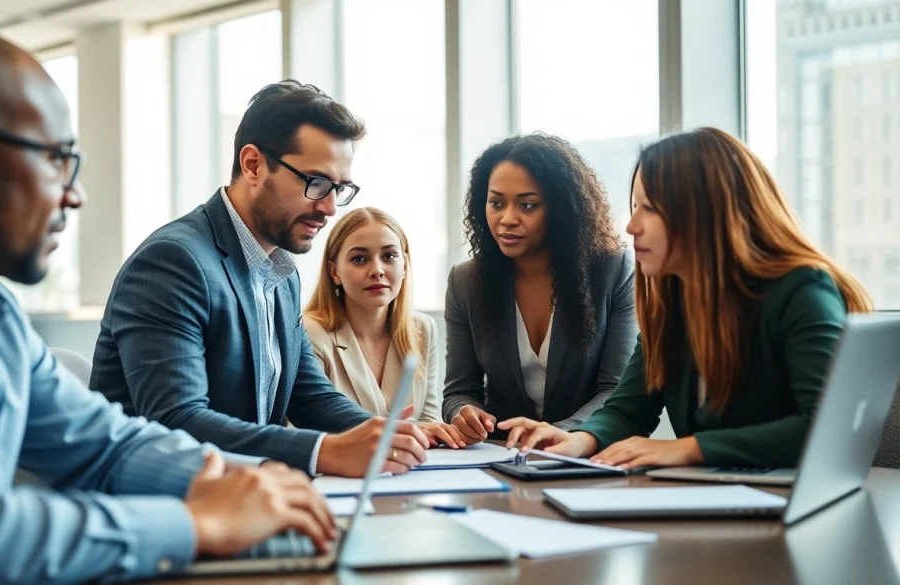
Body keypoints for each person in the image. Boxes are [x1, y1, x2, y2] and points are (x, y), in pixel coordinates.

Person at [0, 16, 337, 585]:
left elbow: (102, 442)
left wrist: (224, 480)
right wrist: (194, 523)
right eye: (57, 159)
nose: (75, 194)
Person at [90, 80, 429, 477]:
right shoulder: (175, 261)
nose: (329, 207)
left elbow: (309, 393)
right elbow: (176, 418)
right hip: (156, 506)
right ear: (253, 165)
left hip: (241, 495)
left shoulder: (281, 275)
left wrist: (390, 433)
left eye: (340, 188)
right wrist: (323, 451)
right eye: (316, 183)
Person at [507, 127, 874, 469]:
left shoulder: (801, 290)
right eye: (634, 208)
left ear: (705, 211)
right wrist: (578, 440)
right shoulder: (673, 303)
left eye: (647, 209)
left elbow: (826, 428)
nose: (632, 226)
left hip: (791, 506)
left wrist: (689, 448)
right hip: (716, 505)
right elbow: (629, 410)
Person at [443, 133, 638, 446]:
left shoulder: (613, 270)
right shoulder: (465, 281)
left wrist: (562, 433)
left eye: (527, 205)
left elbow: (616, 390)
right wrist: (464, 412)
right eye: (496, 203)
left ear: (561, 210)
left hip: (586, 454)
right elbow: (459, 391)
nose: (507, 219)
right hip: (501, 455)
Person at [302, 207, 463, 448]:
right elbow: (308, 429)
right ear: (334, 272)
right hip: (340, 474)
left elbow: (429, 420)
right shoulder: (310, 332)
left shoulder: (422, 329)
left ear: (405, 265)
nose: (377, 270)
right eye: (359, 259)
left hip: (410, 471)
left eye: (389, 256)